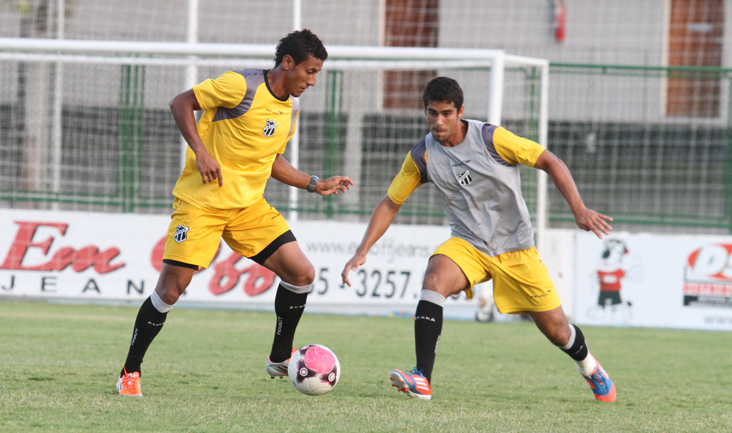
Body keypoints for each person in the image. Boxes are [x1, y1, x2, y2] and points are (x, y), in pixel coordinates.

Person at [340, 76, 616, 402]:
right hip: (468, 244)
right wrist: (362, 250)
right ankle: (422, 378)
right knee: (435, 277)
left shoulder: (491, 139)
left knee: (558, 331)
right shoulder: (422, 156)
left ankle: (590, 367)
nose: (438, 121)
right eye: (432, 113)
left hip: (516, 248)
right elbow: (390, 203)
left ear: (460, 111)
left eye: (446, 113)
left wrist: (578, 209)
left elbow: (548, 160)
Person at [116, 29, 354, 397]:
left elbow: (269, 160)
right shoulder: (239, 86)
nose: (312, 80)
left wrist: (313, 183)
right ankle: (130, 370)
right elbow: (180, 102)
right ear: (287, 63)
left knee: (301, 273)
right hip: (202, 203)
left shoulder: (288, 108)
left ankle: (279, 356)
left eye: (317, 73)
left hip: (248, 207)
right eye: (309, 71)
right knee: (171, 289)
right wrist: (201, 151)